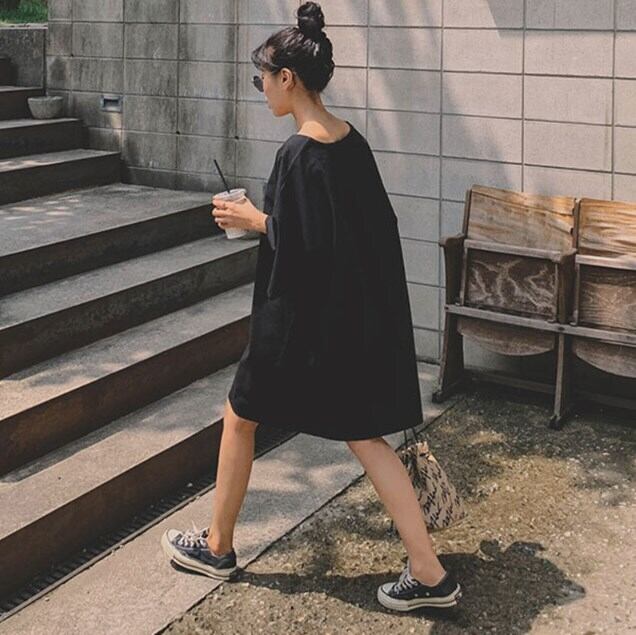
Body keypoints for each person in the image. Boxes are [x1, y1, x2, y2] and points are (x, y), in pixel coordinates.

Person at [161, 1, 462, 612]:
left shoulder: (298, 154)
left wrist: (254, 220)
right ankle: (428, 571)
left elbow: (302, 247)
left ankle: (218, 547)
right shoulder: (352, 142)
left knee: (240, 414)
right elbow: (367, 235)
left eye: (263, 79)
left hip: (300, 323)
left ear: (288, 78)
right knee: (364, 437)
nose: (263, 90)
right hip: (351, 319)